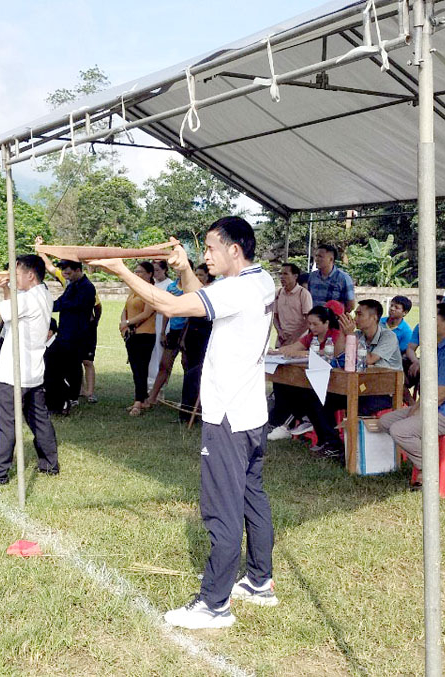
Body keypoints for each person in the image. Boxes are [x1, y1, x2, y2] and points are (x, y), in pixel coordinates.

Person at [90, 216, 277, 630]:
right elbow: (207, 301)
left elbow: (173, 306)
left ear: (234, 250)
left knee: (221, 509)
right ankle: (260, 581)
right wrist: (184, 270)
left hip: (228, 415)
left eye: (210, 248)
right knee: (251, 497)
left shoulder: (238, 288)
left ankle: (214, 604)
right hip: (251, 413)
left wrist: (121, 271)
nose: (205, 254)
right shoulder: (261, 281)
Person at [0, 254, 59, 486]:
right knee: (39, 419)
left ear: (30, 275)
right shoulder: (43, 294)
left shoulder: (28, 299)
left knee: (7, 425)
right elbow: (11, 313)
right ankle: (49, 463)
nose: (13, 277)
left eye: (17, 274)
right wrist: (8, 286)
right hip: (33, 372)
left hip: (13, 373)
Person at [378, 304, 445, 471]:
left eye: (432, 319)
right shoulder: (439, 347)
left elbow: (442, 393)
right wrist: (415, 408)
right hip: (438, 407)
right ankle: (426, 460)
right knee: (385, 422)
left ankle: (432, 469)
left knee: (399, 430)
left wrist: (416, 411)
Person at [304, 299, 402, 458]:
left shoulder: (388, 336)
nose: (355, 317)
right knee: (317, 397)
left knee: (357, 406)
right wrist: (344, 333)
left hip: (383, 393)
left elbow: (369, 359)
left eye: (359, 314)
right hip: (359, 387)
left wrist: (350, 335)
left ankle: (356, 451)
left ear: (374, 317)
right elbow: (337, 355)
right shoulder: (357, 335)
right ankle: (332, 444)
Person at [267, 306, 343, 440]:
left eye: (315, 324)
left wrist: (299, 353)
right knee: (282, 384)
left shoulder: (335, 335)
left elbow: (326, 353)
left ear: (326, 323)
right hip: (310, 375)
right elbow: (293, 347)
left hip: (330, 379)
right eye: (309, 324)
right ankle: (287, 420)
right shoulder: (310, 337)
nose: (311, 327)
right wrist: (277, 351)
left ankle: (299, 420)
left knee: (305, 393)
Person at [50, 259, 97, 413]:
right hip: (65, 332)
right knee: (61, 363)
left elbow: (74, 305)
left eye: (69, 272)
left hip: (77, 334)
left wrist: (54, 306)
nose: (66, 275)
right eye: (64, 272)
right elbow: (61, 302)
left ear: (78, 270)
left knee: (73, 366)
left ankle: (73, 397)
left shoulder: (87, 288)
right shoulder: (72, 285)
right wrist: (47, 306)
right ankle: (67, 395)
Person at [121, 261, 158, 416]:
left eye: (141, 271)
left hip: (145, 334)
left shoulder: (151, 291)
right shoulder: (134, 290)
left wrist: (128, 322)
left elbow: (147, 313)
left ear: (150, 274)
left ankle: (139, 402)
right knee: (135, 368)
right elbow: (126, 308)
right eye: (135, 271)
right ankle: (141, 399)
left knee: (141, 369)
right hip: (132, 334)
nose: (137, 274)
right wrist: (123, 324)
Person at [178, 264, 214, 424]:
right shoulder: (195, 293)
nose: (198, 278)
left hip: (206, 338)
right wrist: (183, 338)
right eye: (196, 275)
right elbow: (189, 319)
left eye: (200, 275)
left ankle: (199, 413)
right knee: (189, 374)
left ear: (208, 276)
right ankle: (185, 413)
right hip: (192, 335)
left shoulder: (213, 293)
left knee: (199, 375)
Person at [147, 260, 176, 389]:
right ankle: (149, 383)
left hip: (163, 321)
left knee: (160, 352)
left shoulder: (169, 285)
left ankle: (159, 387)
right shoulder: (151, 285)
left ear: (165, 270)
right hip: (150, 321)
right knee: (151, 352)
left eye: (158, 270)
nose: (156, 273)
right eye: (154, 270)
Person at [273, 262, 314, 347]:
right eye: (280, 274)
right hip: (281, 340)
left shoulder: (303, 294)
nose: (282, 277)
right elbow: (275, 316)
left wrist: (292, 339)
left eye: (285, 274)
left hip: (299, 342)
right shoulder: (278, 293)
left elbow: (308, 321)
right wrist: (280, 332)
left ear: (295, 276)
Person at [308, 244, 356, 312]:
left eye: (320, 256)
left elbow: (350, 306)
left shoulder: (344, 278)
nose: (316, 259)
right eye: (316, 256)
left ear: (331, 259)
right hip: (315, 320)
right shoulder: (312, 276)